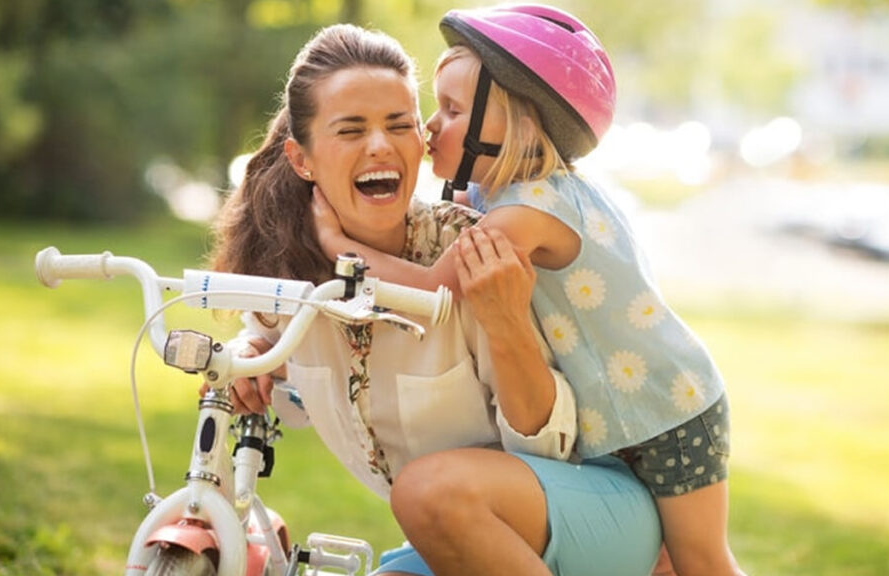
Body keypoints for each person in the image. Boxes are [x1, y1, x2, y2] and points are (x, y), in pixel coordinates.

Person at [209, 22, 662, 576]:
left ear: (419, 142)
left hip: (591, 515)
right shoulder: (294, 279)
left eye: (398, 124)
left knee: (424, 491)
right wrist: (253, 353)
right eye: (351, 130)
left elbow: (551, 448)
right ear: (302, 159)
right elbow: (291, 386)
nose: (380, 144)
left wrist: (506, 324)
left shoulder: (469, 252)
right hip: (462, 539)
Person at [312, 5, 744, 576]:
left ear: (513, 121)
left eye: (453, 109)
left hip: (669, 415)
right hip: (627, 419)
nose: (430, 127)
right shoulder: (509, 196)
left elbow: (430, 290)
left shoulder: (526, 214)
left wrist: (335, 243)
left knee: (702, 564)